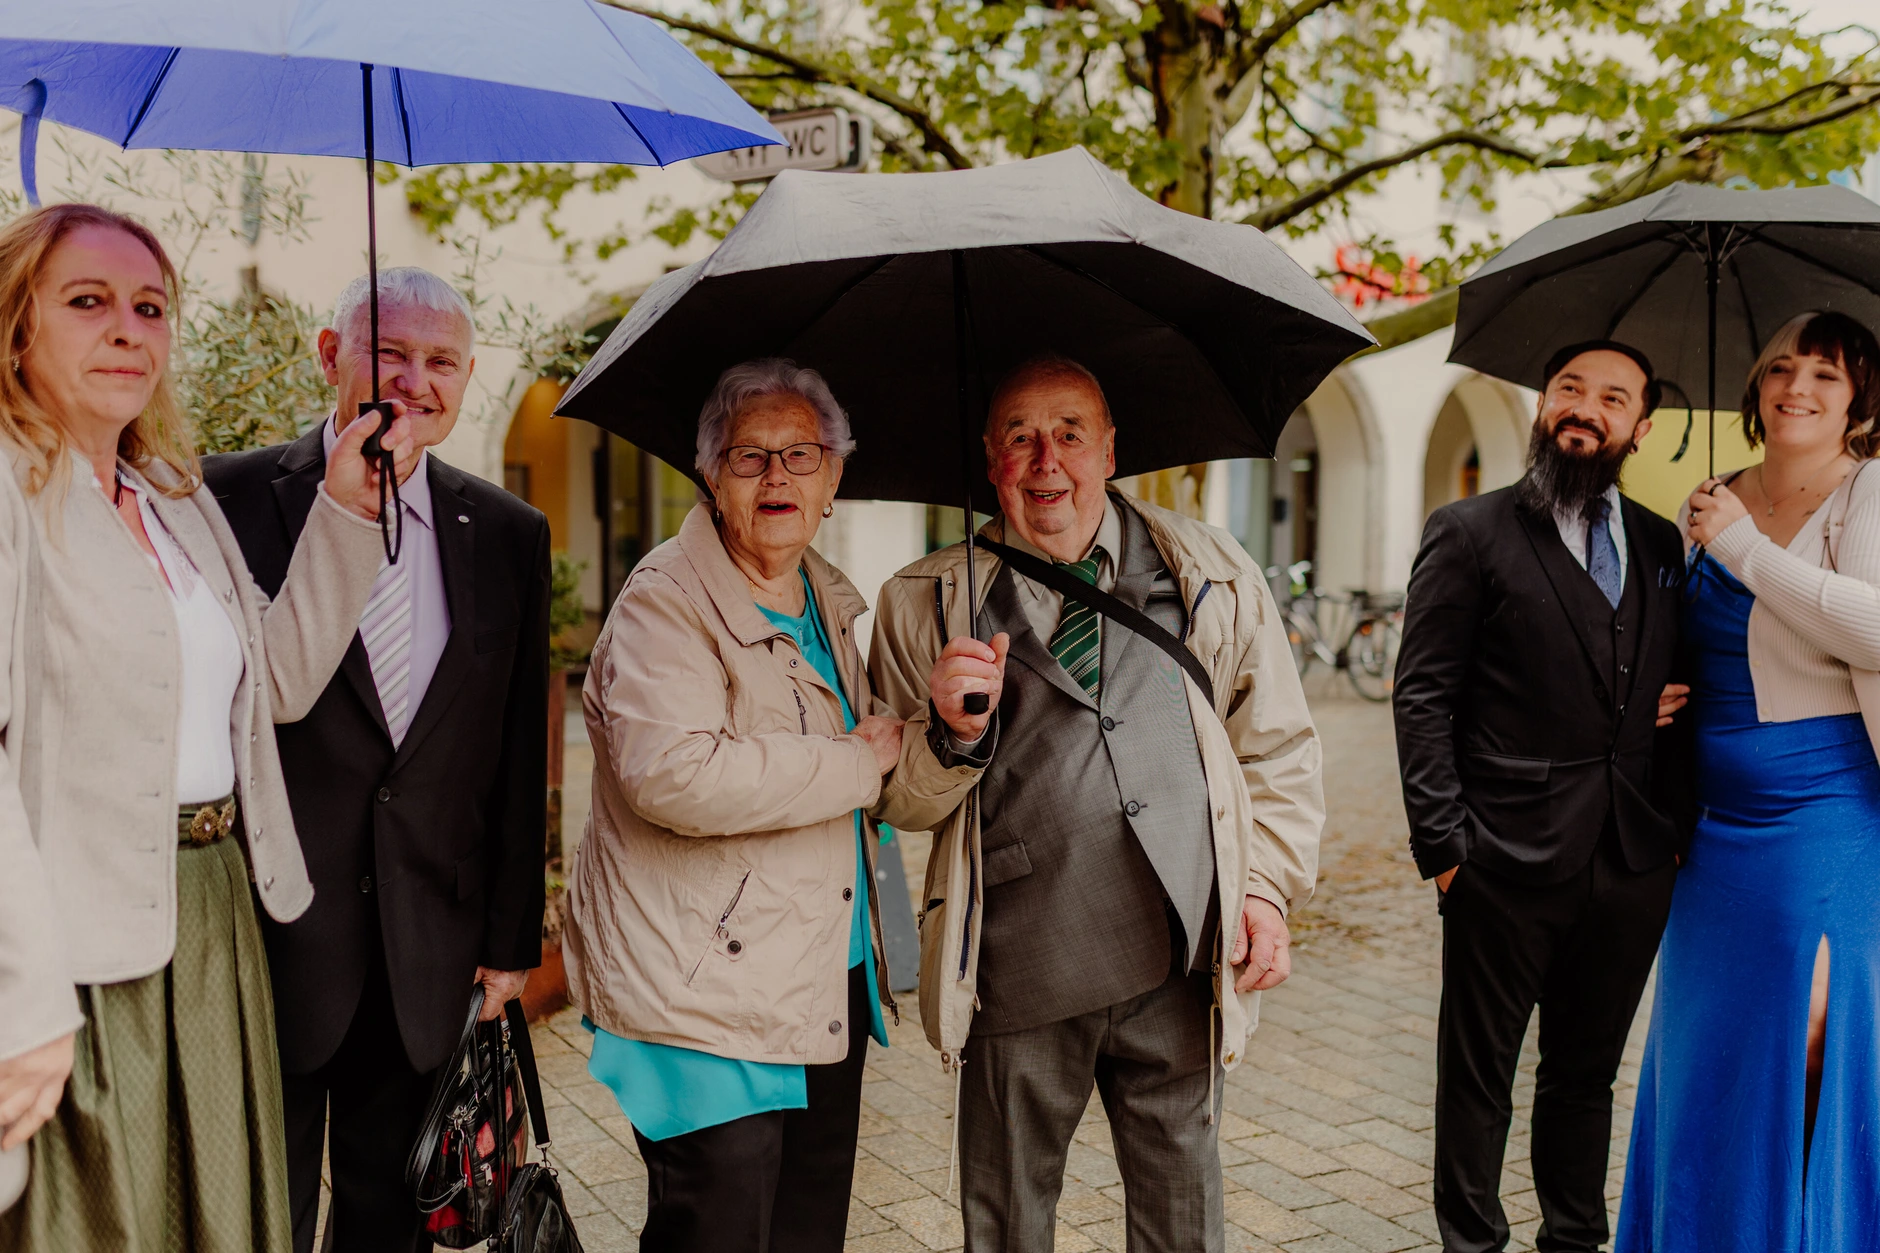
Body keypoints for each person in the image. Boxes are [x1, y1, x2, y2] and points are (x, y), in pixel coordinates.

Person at [0, 205, 403, 1249]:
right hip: (70, 941)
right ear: (16, 326)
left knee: (214, 1215)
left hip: (216, 912)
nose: (129, 329)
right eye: (88, 302)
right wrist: (19, 1002)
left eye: (151, 306)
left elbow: (270, 687)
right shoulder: (6, 489)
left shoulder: (172, 491)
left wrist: (347, 507)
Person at [868, 354, 1322, 1252]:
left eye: (1070, 433)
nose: (1048, 460)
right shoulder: (922, 602)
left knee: (1183, 1220)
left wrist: (1266, 890)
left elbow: (1277, 746)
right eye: (1021, 437)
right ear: (989, 458)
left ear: (1110, 448)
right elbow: (892, 799)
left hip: (1181, 949)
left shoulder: (1212, 572)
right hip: (1017, 965)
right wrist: (952, 734)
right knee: (1007, 1225)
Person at [564, 358, 994, 1252]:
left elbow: (882, 787)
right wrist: (851, 757)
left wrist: (949, 731)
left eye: (802, 456)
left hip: (820, 981)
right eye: (748, 455)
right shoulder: (666, 601)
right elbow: (671, 774)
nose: (776, 477)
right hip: (704, 996)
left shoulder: (826, 602)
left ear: (834, 478)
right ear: (710, 475)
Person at [203, 267, 551, 1253]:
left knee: (388, 1217)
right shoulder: (225, 498)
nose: (415, 380)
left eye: (440, 361)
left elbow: (515, 754)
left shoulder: (509, 532)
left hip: (426, 946)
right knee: (254, 1214)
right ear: (328, 356)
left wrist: (510, 935)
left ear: (470, 376)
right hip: (266, 936)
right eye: (388, 353)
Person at [1393, 340, 1692, 1253]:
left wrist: (1672, 828)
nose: (1584, 408)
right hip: (1499, 856)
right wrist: (1444, 848)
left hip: (1631, 858)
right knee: (1479, 1073)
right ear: (1540, 407)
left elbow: (1675, 684)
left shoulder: (1660, 540)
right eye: (1569, 388)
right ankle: (1472, 1243)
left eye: (1611, 397)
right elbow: (1424, 693)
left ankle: (1573, 1238)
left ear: (1639, 427)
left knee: (1587, 1071)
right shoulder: (1469, 529)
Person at [1616, 311, 1880, 1252]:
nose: (1796, 386)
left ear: (1858, 403)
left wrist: (1745, 551)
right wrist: (1646, 700)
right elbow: (1674, 639)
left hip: (1825, 801)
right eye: (1781, 367)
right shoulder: (1709, 497)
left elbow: (1878, 631)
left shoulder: (1868, 493)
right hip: (1708, 818)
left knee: (1809, 1029)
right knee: (1709, 1050)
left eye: (1825, 374)